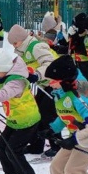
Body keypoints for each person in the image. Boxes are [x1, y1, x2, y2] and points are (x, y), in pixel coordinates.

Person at [8, 23, 59, 155]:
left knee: (48, 116)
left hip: (56, 83)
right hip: (43, 85)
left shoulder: (36, 46)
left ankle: (57, 145)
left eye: (15, 43)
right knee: (36, 115)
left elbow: (50, 63)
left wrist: (36, 74)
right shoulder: (21, 51)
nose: (14, 46)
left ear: (21, 39)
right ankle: (36, 146)